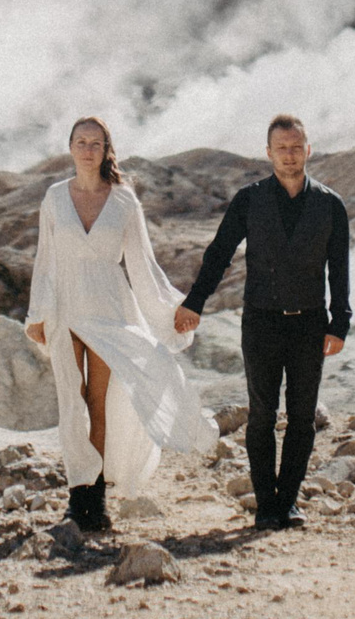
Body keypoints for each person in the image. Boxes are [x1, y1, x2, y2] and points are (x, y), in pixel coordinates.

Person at [24, 116, 218, 532]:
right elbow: (45, 259)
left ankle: (98, 499)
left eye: (95, 142)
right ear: (71, 148)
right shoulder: (54, 197)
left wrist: (170, 313)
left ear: (106, 149)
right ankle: (80, 497)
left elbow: (142, 265)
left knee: (98, 403)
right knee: (70, 403)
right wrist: (36, 313)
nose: (88, 149)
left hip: (109, 306)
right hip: (63, 304)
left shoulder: (125, 200)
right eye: (81, 142)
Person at [175, 114, 350, 530]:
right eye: (281, 148)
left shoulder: (330, 204)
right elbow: (219, 253)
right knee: (262, 414)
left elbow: (339, 269)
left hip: (309, 323)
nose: (289, 155)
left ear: (308, 150)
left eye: (296, 147)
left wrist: (339, 322)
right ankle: (265, 505)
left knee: (303, 417)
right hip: (261, 322)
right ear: (268, 152)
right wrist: (195, 302)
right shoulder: (249, 200)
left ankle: (287, 503)